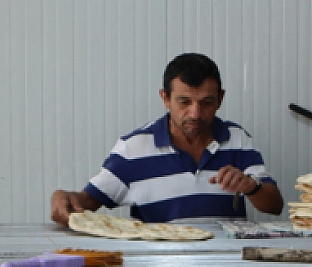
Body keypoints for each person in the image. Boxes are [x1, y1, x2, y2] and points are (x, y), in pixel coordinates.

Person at [49, 53, 284, 225]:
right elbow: (88, 201)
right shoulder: (134, 148)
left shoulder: (237, 139)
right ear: (165, 98)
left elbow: (274, 206)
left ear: (220, 99)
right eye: (184, 102)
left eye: (206, 103)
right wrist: (64, 197)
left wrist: (252, 187)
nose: (195, 113)